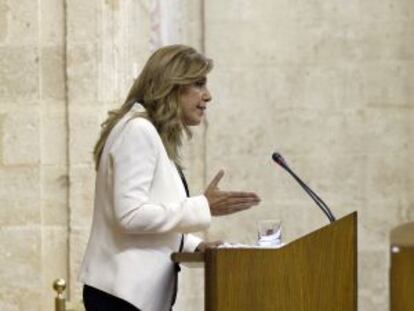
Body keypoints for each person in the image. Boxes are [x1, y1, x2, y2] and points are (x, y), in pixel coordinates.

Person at [78, 44, 260, 311]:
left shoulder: (149, 132)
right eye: (198, 84)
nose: (208, 96)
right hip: (121, 297)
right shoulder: (138, 130)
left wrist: (196, 246)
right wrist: (203, 206)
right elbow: (129, 215)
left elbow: (151, 221)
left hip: (129, 296)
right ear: (172, 85)